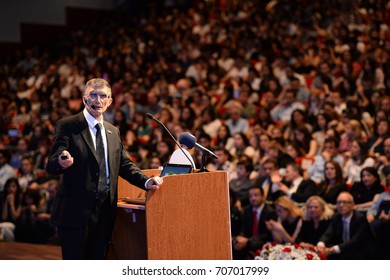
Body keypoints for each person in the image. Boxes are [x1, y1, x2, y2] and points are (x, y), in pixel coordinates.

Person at [46, 78, 163, 260]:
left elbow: (124, 165)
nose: (98, 100)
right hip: (76, 211)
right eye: (93, 95)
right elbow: (52, 161)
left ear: (109, 102)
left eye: (103, 96)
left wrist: (147, 182)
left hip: (105, 211)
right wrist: (61, 161)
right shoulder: (68, 125)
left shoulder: (113, 131)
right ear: (85, 99)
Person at [317, 192, 376, 260]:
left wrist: (332, 250)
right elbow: (328, 233)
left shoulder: (360, 218)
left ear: (353, 205)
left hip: (361, 251)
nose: (341, 205)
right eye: (339, 202)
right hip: (344, 249)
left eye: (345, 202)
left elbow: (355, 241)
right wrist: (321, 244)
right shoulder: (336, 217)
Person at [233, 186, 277, 259]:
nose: (253, 198)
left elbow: (267, 235)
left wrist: (248, 241)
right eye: (250, 196)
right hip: (248, 242)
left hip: (263, 243)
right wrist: (240, 238)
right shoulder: (246, 210)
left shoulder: (270, 212)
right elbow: (243, 229)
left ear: (263, 197)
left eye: (256, 195)